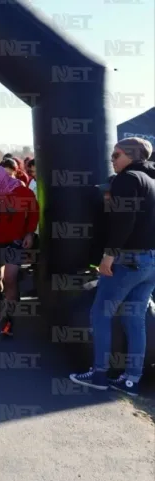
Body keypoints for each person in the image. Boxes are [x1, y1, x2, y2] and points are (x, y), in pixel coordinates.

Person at [70, 137, 155, 397]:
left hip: (127, 260)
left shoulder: (127, 179)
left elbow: (123, 221)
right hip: (150, 262)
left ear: (130, 155)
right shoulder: (152, 180)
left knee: (100, 314)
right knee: (135, 318)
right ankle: (131, 380)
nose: (112, 160)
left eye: (116, 155)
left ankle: (99, 374)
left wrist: (108, 256)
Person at [0, 165, 39, 337]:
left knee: (9, 278)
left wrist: (29, 233)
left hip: (15, 241)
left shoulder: (23, 192)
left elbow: (33, 213)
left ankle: (9, 319)